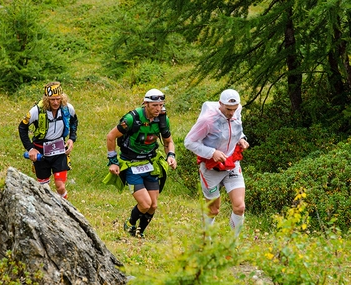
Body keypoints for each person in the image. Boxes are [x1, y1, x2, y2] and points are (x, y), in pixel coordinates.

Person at [104, 88, 177, 238]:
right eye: (154, 106)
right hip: (131, 164)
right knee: (145, 204)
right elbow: (110, 137)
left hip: (151, 163)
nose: (158, 109)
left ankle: (140, 232)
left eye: (161, 105)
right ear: (145, 104)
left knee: (153, 205)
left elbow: (168, 141)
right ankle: (130, 224)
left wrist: (171, 155)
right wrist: (113, 162)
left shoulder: (163, 119)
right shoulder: (132, 118)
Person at [184, 89, 249, 238]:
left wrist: (242, 139)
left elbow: (236, 129)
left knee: (240, 207)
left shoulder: (237, 111)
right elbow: (189, 142)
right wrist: (212, 153)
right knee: (213, 210)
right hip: (211, 168)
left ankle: (232, 244)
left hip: (232, 163)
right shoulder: (208, 120)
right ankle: (207, 241)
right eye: (228, 109)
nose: (232, 113)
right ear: (220, 104)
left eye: (234, 109)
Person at [18, 81, 78, 199]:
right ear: (46, 100)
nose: (55, 102)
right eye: (52, 100)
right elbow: (22, 128)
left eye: (58, 99)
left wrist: (71, 139)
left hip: (60, 150)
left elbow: (74, 122)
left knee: (60, 186)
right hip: (41, 151)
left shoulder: (67, 108)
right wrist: (30, 149)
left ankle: (65, 210)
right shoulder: (36, 111)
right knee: (43, 190)